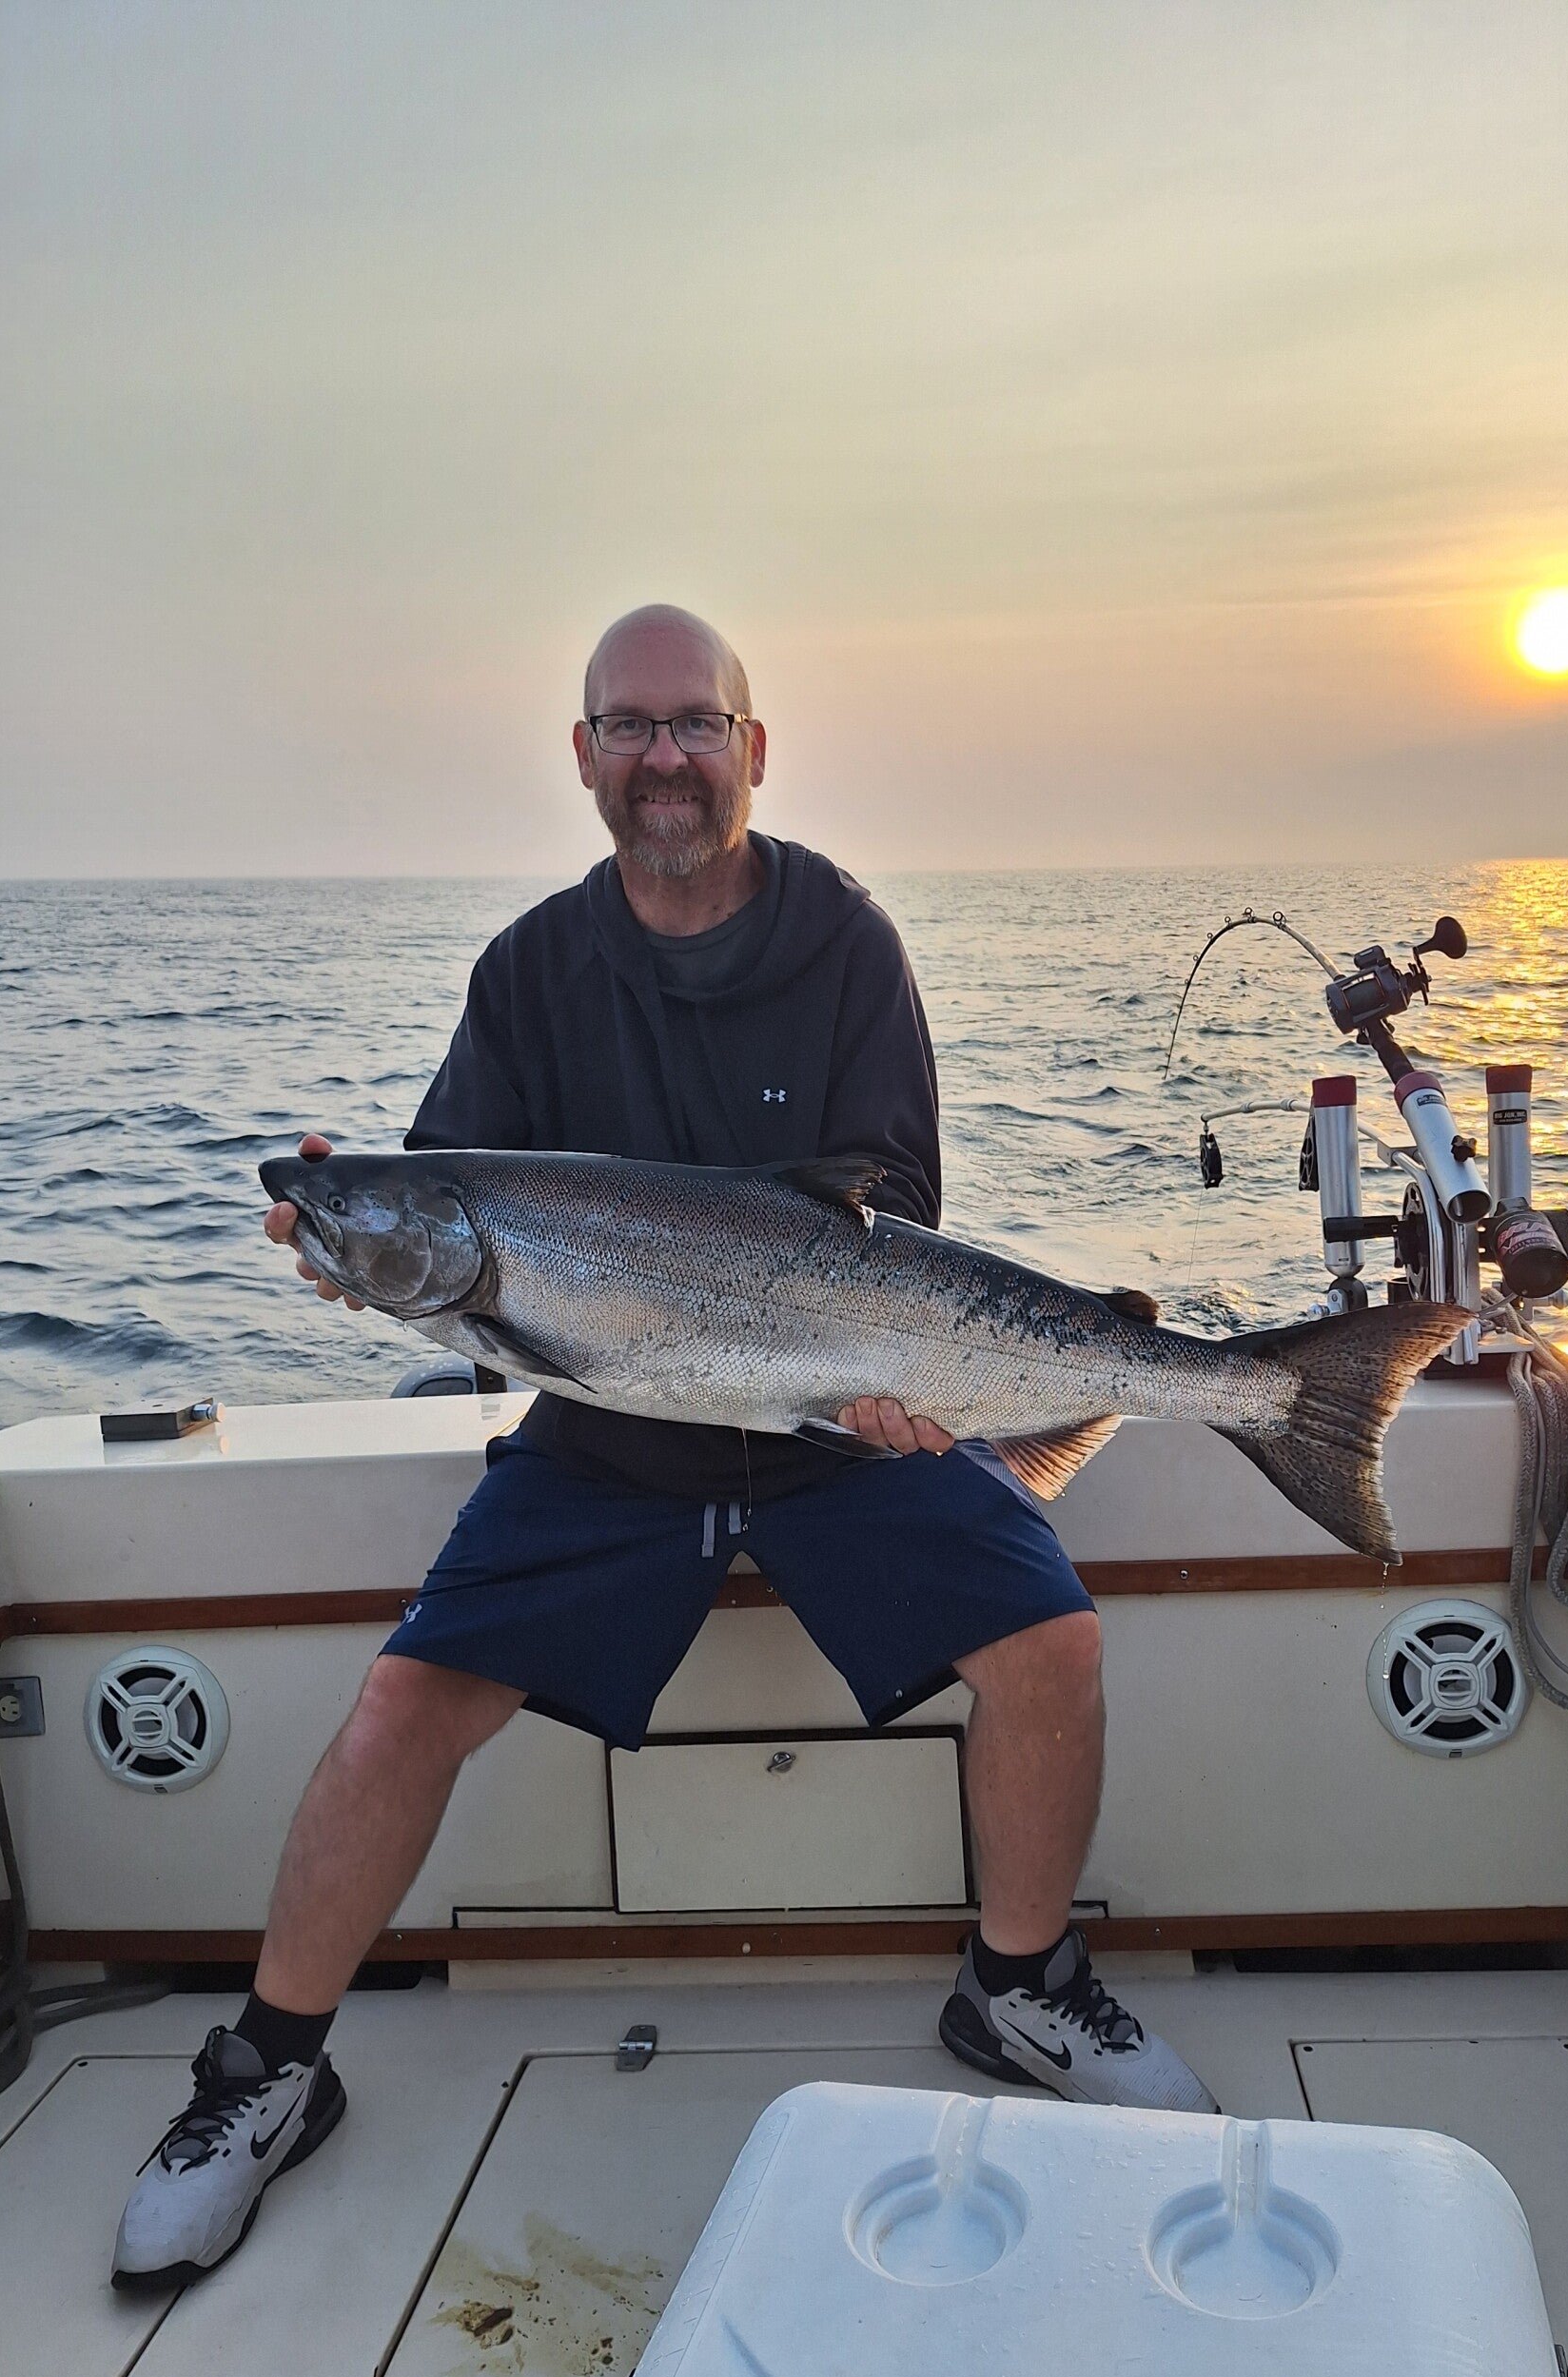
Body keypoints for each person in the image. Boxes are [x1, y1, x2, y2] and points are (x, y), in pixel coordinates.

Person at [111, 604, 1216, 2292]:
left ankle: (1020, 1992)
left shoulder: (845, 940)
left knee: (1052, 1646)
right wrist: (347, 1236)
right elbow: (436, 1191)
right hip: (614, 1434)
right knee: (405, 1703)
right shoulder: (530, 972)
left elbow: (894, 1212)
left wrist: (892, 1388)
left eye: (696, 723)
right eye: (629, 728)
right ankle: (267, 2073)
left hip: (840, 1428)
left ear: (753, 749)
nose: (665, 757)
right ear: (583, 757)